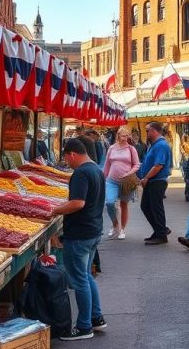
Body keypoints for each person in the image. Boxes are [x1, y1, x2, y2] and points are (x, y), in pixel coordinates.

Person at [51, 139, 107, 341]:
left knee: (79, 279)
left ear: (72, 154)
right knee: (86, 276)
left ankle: (84, 327)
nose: (67, 162)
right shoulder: (96, 169)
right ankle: (96, 318)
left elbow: (78, 203)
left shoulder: (81, 173)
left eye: (66, 158)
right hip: (93, 230)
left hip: (80, 233)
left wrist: (56, 210)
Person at [103, 127, 140, 240]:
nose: (126, 138)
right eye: (123, 136)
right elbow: (107, 165)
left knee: (124, 205)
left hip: (126, 182)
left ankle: (122, 229)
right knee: (109, 203)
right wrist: (103, 178)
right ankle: (115, 225)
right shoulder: (111, 148)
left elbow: (137, 164)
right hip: (111, 180)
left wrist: (128, 173)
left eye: (127, 135)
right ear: (118, 136)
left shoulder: (131, 149)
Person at [139, 121, 172, 245]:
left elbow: (158, 165)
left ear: (154, 131)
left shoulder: (161, 145)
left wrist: (146, 178)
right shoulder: (154, 144)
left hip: (156, 181)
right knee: (146, 206)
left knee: (155, 208)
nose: (146, 133)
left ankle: (161, 235)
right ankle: (160, 230)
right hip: (153, 181)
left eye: (147, 130)